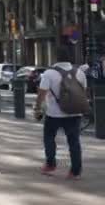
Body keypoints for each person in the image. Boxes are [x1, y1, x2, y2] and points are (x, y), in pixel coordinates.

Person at [33, 47, 86, 180]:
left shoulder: (49, 73)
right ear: (70, 58)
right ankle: (75, 171)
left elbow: (41, 93)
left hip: (54, 114)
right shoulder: (79, 72)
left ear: (56, 58)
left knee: (49, 137)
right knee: (74, 142)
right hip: (75, 113)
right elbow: (83, 92)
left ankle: (50, 164)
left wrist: (37, 108)